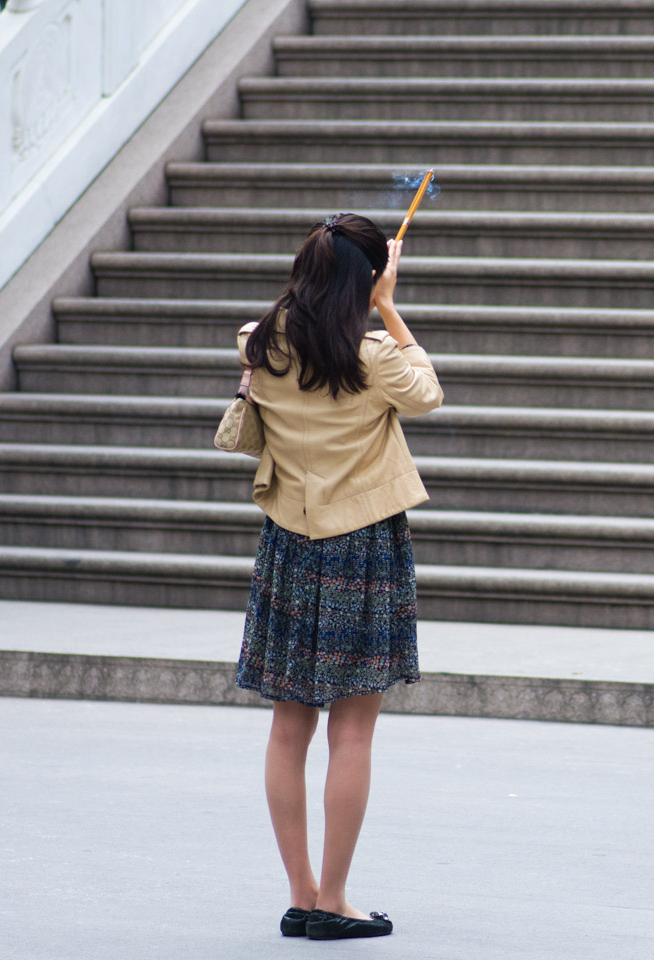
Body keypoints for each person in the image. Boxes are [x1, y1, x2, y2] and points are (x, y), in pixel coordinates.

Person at [232, 213, 443, 940]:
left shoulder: (261, 344)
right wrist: (388, 304)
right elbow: (428, 395)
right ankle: (335, 900)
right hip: (362, 548)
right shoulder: (373, 355)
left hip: (289, 543)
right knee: (352, 734)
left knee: (288, 728)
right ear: (367, 276)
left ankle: (301, 893)